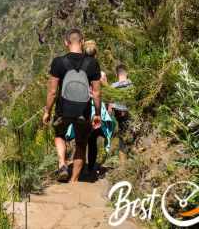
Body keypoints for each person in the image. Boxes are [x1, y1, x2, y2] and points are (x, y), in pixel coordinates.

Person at [43, 29, 101, 183]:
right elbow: (96, 93)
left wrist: (47, 111)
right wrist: (97, 113)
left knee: (59, 134)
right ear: (82, 41)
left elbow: (52, 92)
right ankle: (74, 181)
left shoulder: (58, 62)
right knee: (81, 143)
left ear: (66, 43)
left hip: (63, 109)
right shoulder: (93, 63)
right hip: (84, 110)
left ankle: (62, 164)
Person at [109, 64, 134, 166]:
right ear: (126, 73)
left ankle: (123, 162)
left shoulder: (113, 86)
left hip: (118, 114)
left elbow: (110, 105)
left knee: (122, 134)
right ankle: (130, 158)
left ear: (116, 74)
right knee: (130, 134)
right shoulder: (131, 84)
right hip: (129, 112)